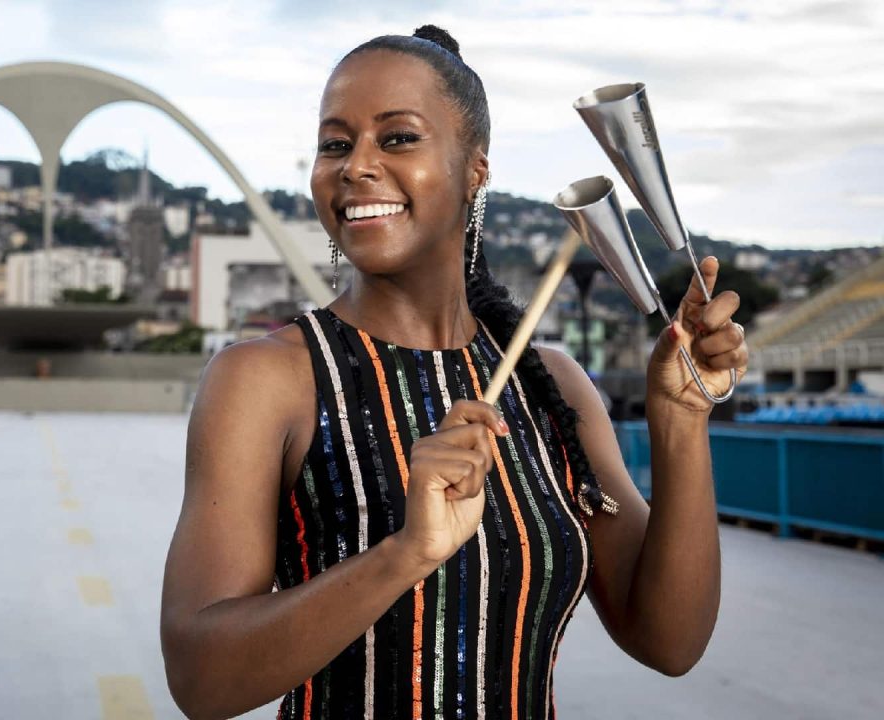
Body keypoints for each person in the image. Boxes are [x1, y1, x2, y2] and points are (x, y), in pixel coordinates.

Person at [160, 24, 748, 720]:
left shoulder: (549, 386)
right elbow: (200, 677)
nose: (356, 166)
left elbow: (669, 641)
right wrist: (405, 554)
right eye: (335, 143)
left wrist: (680, 422)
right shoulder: (267, 379)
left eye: (398, 137)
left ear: (476, 168)